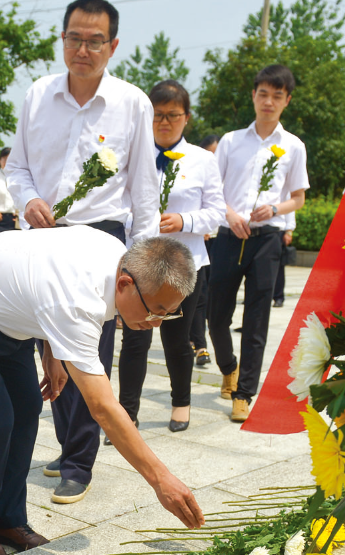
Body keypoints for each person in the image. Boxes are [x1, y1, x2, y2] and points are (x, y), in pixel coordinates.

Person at [0, 229, 204, 555]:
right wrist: (161, 479)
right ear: (125, 285)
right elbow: (102, 407)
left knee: (27, 409)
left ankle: (8, 520)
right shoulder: (80, 298)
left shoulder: (117, 257)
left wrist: (53, 350)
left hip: (7, 314)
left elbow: (42, 277)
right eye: (156, 310)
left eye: (168, 313)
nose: (157, 323)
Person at [4, 0, 160, 505]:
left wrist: (143, 262)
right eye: (75, 38)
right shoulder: (37, 95)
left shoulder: (132, 103)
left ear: (113, 45)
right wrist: (27, 200)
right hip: (44, 235)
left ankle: (79, 461)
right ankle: (67, 442)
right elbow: (17, 168)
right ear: (63, 39)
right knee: (47, 345)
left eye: (96, 41)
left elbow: (143, 191)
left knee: (89, 350)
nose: (84, 49)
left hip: (100, 239)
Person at [116, 80, 224, 436]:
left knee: (177, 340)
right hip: (142, 264)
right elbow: (120, 206)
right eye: (158, 115)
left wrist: (184, 220)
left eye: (173, 115)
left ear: (186, 118)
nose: (165, 122)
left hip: (186, 263)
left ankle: (181, 403)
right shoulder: (132, 155)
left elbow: (217, 213)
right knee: (135, 340)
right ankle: (126, 415)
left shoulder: (204, 160)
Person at [209, 64, 308, 423]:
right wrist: (231, 214)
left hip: (267, 240)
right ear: (253, 96)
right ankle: (228, 366)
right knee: (216, 315)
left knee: (256, 318)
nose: (269, 101)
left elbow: (297, 198)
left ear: (287, 101)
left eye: (277, 96)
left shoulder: (294, 147)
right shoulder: (232, 141)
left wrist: (276, 208)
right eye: (263, 94)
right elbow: (212, 191)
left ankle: (244, 392)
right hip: (229, 234)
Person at [191, 133, 221, 367]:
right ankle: (199, 345)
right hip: (200, 239)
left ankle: (195, 339)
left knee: (206, 295)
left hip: (221, 241)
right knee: (199, 296)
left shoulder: (225, 173)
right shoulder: (196, 169)